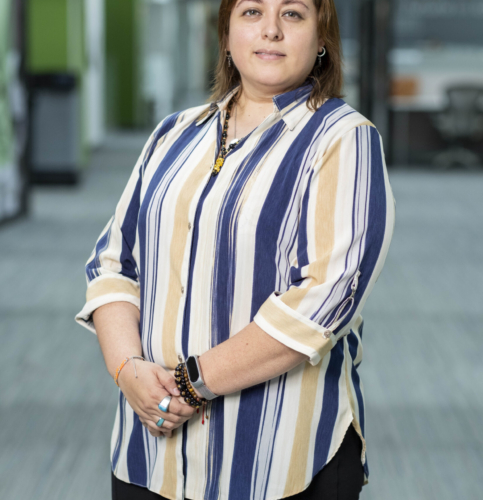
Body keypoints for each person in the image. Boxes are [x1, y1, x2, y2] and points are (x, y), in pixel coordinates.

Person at [75, 0, 396, 499]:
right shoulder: (175, 133)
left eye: (292, 14)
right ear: (225, 35)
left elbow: (322, 300)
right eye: (251, 12)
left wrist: (190, 384)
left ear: (322, 39)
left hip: (279, 463)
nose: (271, 30)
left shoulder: (344, 140)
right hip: (150, 458)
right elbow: (113, 262)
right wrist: (127, 369)